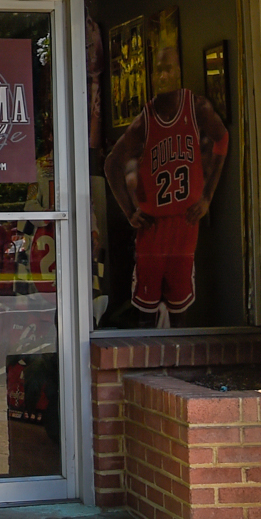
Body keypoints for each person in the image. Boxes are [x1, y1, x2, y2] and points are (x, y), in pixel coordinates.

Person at [103, 43, 229, 327]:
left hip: (184, 225)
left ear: (179, 71)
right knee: (145, 312)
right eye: (158, 70)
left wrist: (207, 196)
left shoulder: (196, 108)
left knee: (180, 309)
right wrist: (129, 211)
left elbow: (222, 139)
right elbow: (112, 164)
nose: (163, 75)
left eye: (168, 68)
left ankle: (177, 364)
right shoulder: (144, 121)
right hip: (153, 227)